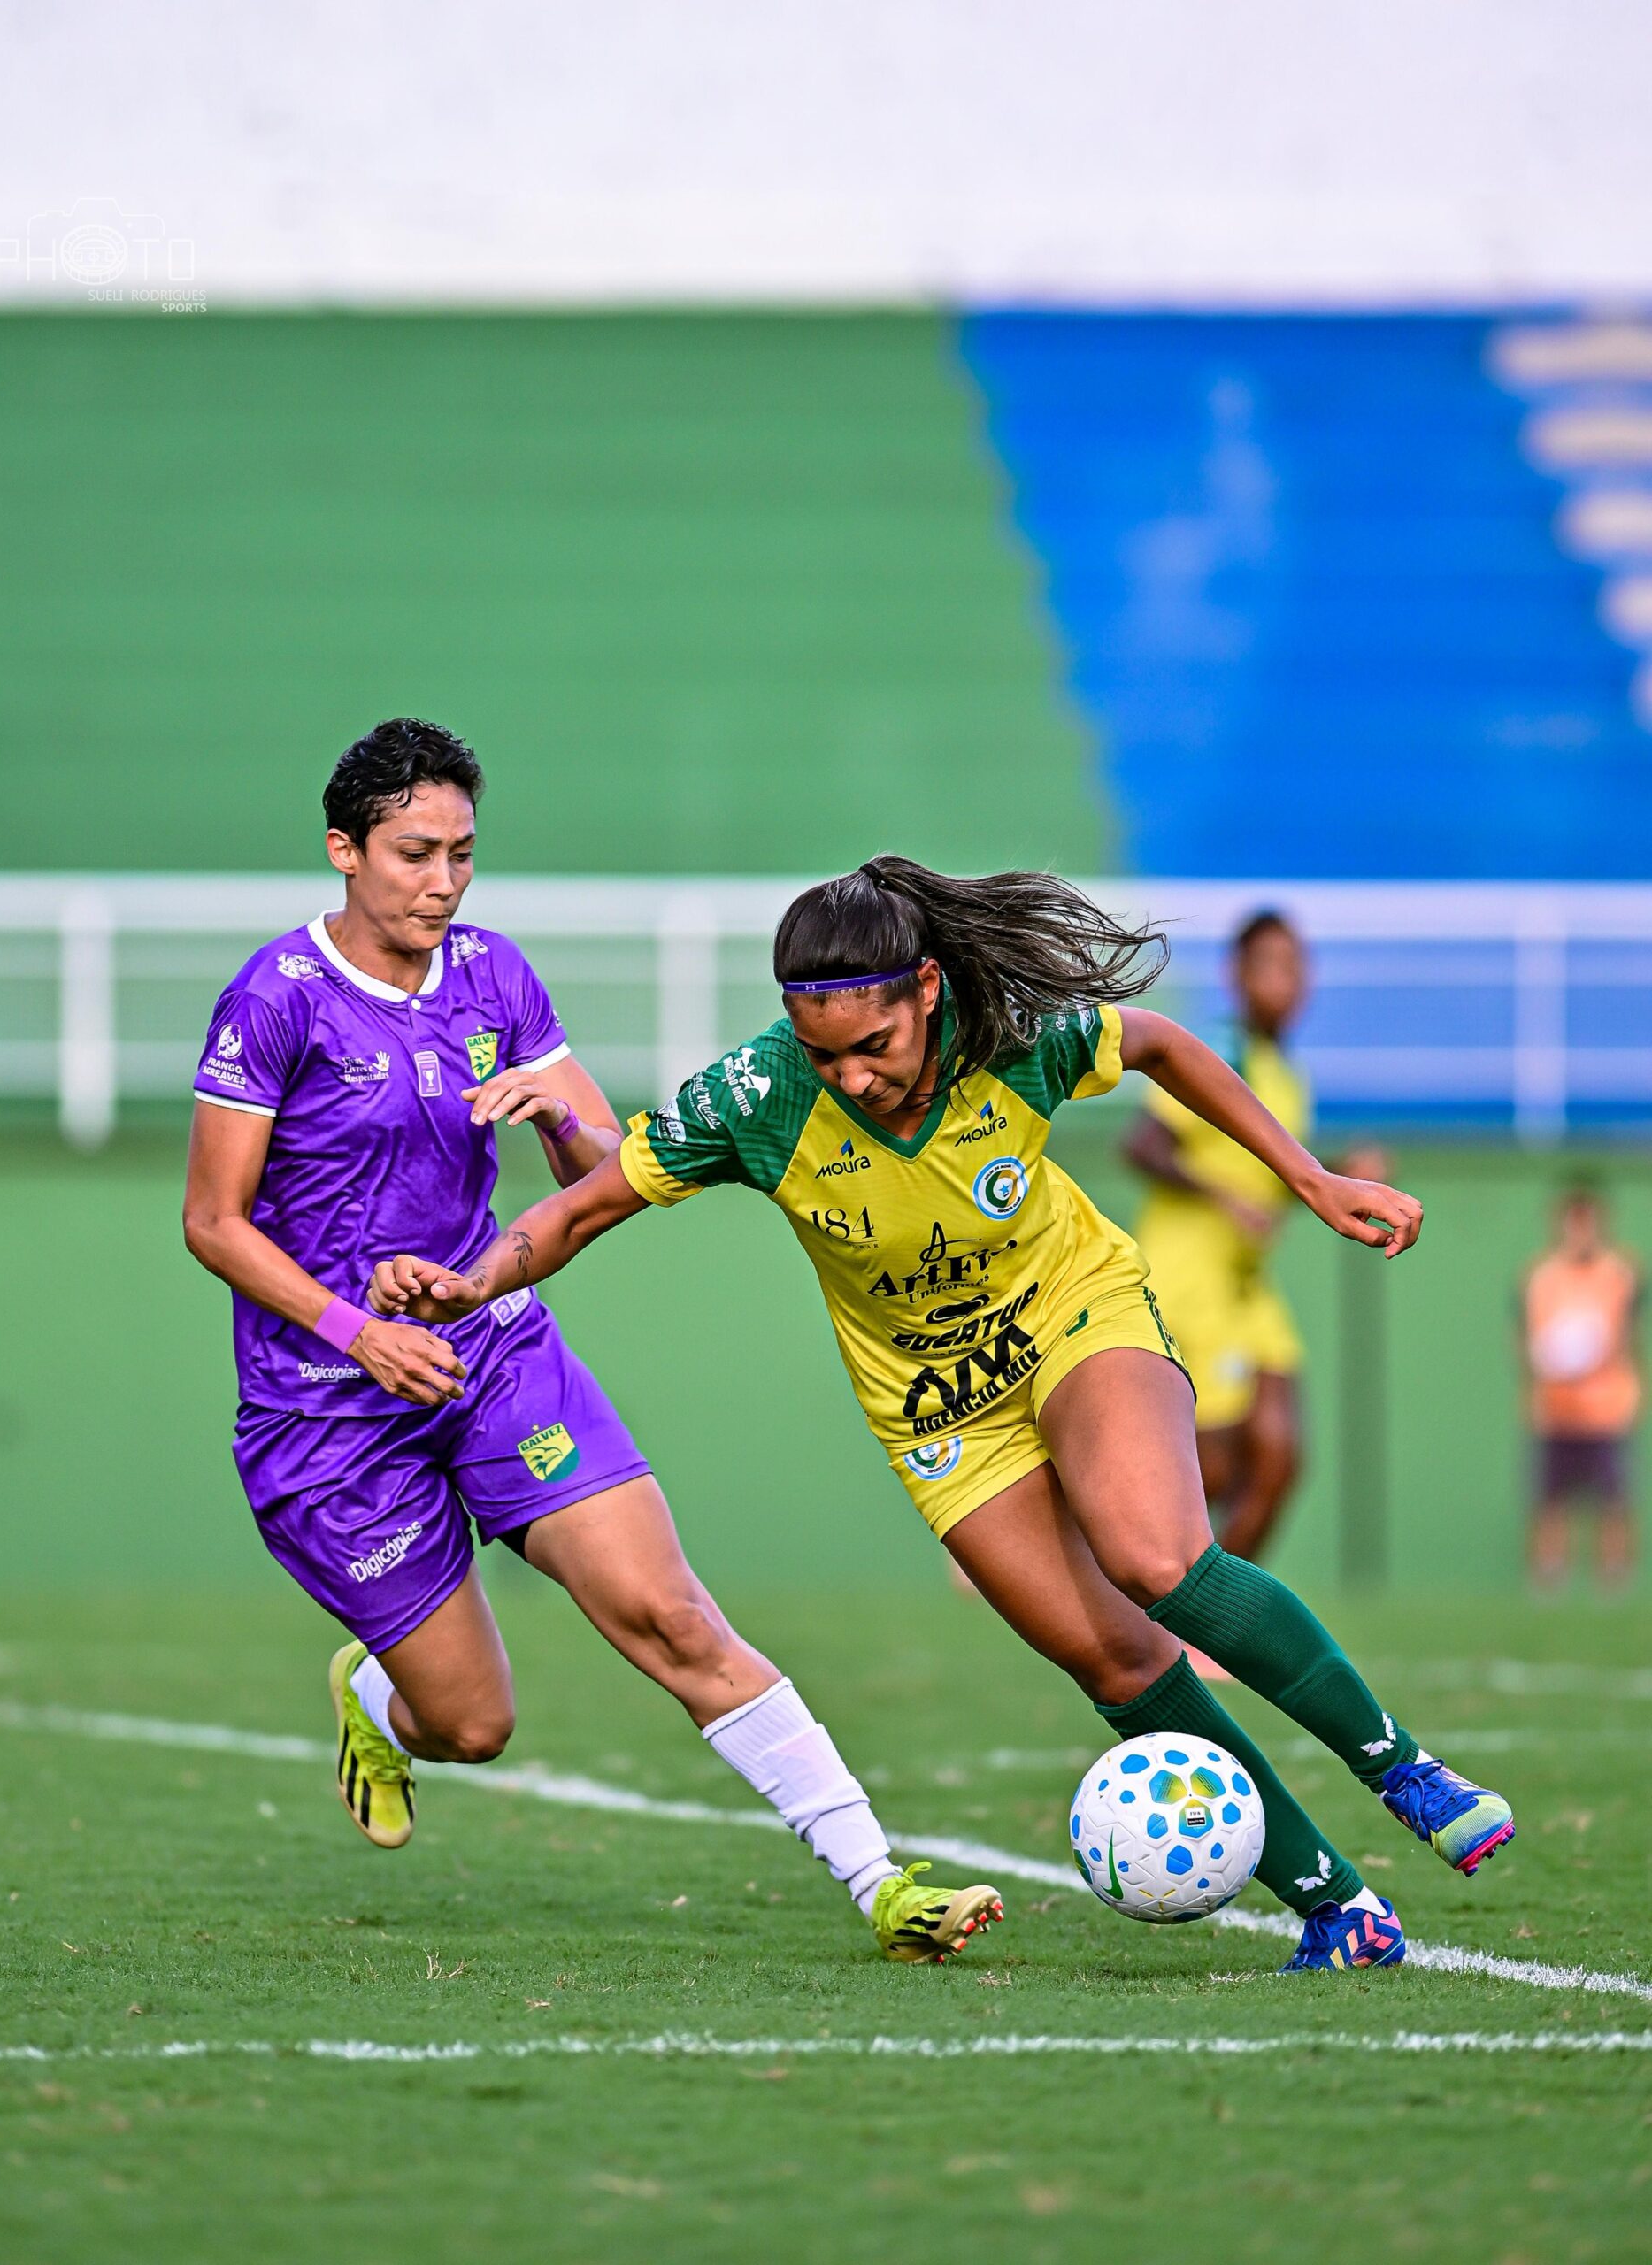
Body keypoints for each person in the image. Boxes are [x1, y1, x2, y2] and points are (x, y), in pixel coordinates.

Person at [372, 857, 1518, 1974]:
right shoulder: (762, 1097)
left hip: (1073, 1314)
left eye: (873, 1047)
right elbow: (584, 1208)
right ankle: (1337, 1908)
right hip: (939, 1413)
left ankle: (1403, 1769)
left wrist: (1310, 1178)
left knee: (1155, 1556)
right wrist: (478, 1279)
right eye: (826, 1057)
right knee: (1117, 1666)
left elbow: (1159, 1044)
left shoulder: (1005, 1034)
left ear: (926, 991)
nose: (853, 1079)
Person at [181, 727, 1000, 1963]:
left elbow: (601, 1166)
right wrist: (360, 1332)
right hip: (328, 1411)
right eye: (413, 854)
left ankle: (880, 1881)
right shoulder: (275, 1001)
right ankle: (375, 1699)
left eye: (462, 853)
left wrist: (558, 1111)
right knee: (473, 1726)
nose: (442, 883)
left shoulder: (495, 978)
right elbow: (212, 1222)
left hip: (492, 1353)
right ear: (344, 852)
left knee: (671, 1616)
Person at [1123, 909, 1310, 1566]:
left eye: (1297, 965)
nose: (1289, 981)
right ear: (1237, 975)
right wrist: (1220, 1195)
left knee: (1281, 1460)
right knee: (1217, 1473)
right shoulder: (1221, 1053)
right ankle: (1086, 1532)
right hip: (1190, 1281)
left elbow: (1270, 1177)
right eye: (1271, 964)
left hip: (1249, 1289)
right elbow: (1143, 1145)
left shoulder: (1285, 1074)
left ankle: (1219, 1627)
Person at [1522, 1183, 1640, 1589]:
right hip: (1555, 1408)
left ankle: (1614, 1581)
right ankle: (1548, 1581)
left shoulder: (1619, 1273)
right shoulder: (1542, 1275)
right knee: (1550, 1501)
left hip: (1606, 1408)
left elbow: (1623, 1335)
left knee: (1612, 1500)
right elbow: (1528, 1338)